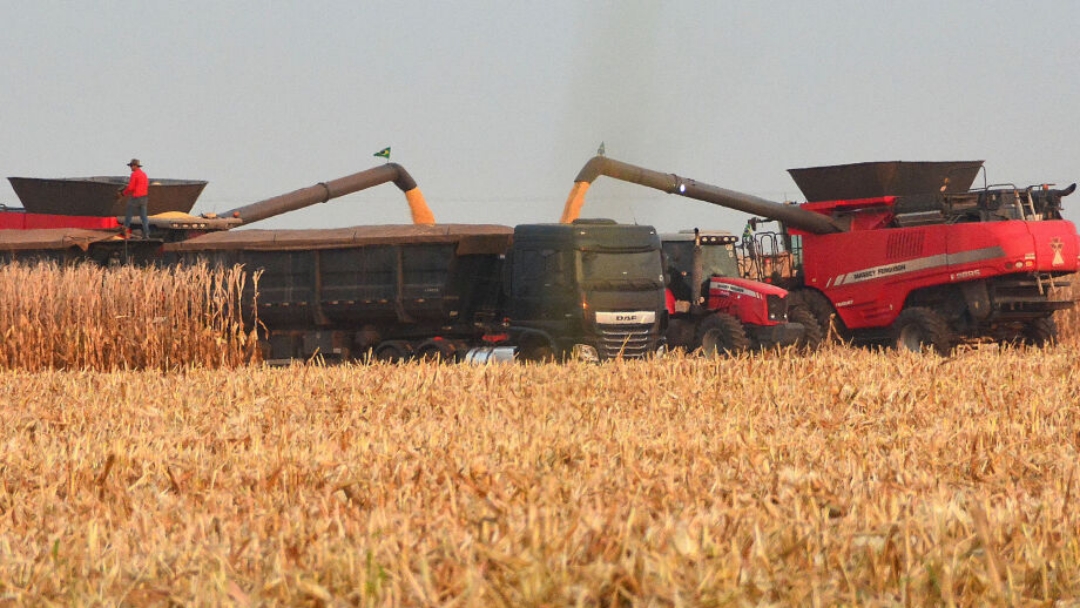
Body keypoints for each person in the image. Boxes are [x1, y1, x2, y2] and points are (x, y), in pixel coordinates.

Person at [119, 158, 150, 238]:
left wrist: (123, 193)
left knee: (129, 212)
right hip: (144, 198)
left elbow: (131, 187)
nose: (131, 168)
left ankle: (125, 229)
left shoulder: (134, 174)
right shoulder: (144, 174)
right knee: (144, 217)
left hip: (136, 197)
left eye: (132, 166)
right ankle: (146, 234)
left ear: (135, 166)